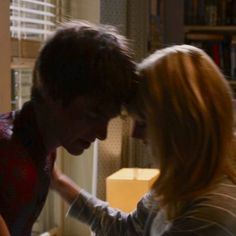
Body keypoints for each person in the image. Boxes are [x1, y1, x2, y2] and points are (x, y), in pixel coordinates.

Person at [51, 44, 236, 235]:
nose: (135, 134)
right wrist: (59, 182)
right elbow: (127, 229)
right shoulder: (182, 181)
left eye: (144, 122)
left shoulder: (211, 213)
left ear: (179, 125)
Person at [0, 20, 136, 236]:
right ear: (52, 92)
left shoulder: (40, 145)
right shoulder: (10, 161)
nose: (102, 134)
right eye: (93, 114)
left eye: (108, 119)